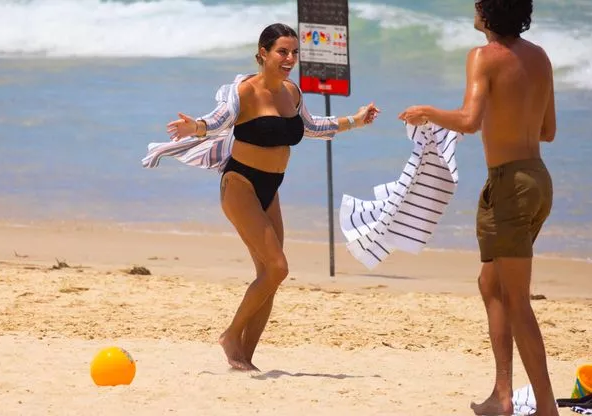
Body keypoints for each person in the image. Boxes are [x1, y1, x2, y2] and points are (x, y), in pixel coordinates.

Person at [165, 23, 379, 372]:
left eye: (294, 52)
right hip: (240, 186)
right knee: (278, 267)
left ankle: (244, 357)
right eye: (282, 51)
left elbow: (311, 127)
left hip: (270, 189)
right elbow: (219, 120)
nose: (290, 58)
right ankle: (231, 335)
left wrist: (354, 121)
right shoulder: (245, 91)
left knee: (269, 276)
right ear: (263, 52)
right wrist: (196, 127)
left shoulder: (292, 93)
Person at [398, 1, 557, 415]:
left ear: (489, 12)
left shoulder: (482, 56)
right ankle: (502, 396)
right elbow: (548, 130)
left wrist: (426, 112)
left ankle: (546, 408)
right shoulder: (539, 56)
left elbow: (469, 120)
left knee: (517, 301)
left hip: (508, 186)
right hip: (538, 178)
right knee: (491, 285)